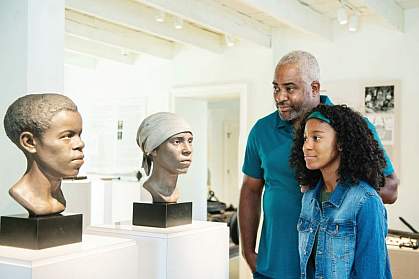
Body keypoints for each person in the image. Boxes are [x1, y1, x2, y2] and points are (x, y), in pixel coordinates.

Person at [238, 50, 399, 279]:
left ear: (314, 88)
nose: (280, 97)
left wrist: (332, 181)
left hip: (329, 268)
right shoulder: (261, 131)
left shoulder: (350, 128)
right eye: (276, 88)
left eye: (290, 88)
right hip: (271, 267)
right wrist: (248, 252)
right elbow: (250, 191)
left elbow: (391, 189)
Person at [290, 104, 391, 279]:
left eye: (316, 138)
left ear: (341, 143)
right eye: (305, 138)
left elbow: (372, 274)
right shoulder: (309, 198)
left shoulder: (366, 201)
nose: (306, 146)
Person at [3, 93, 85, 216]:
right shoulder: (23, 194)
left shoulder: (57, 200)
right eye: (67, 136)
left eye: (79, 135)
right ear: (29, 142)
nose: (80, 144)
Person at [136, 112, 193, 203]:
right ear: (153, 149)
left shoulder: (177, 193)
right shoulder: (147, 192)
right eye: (177, 141)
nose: (188, 150)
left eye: (190, 141)